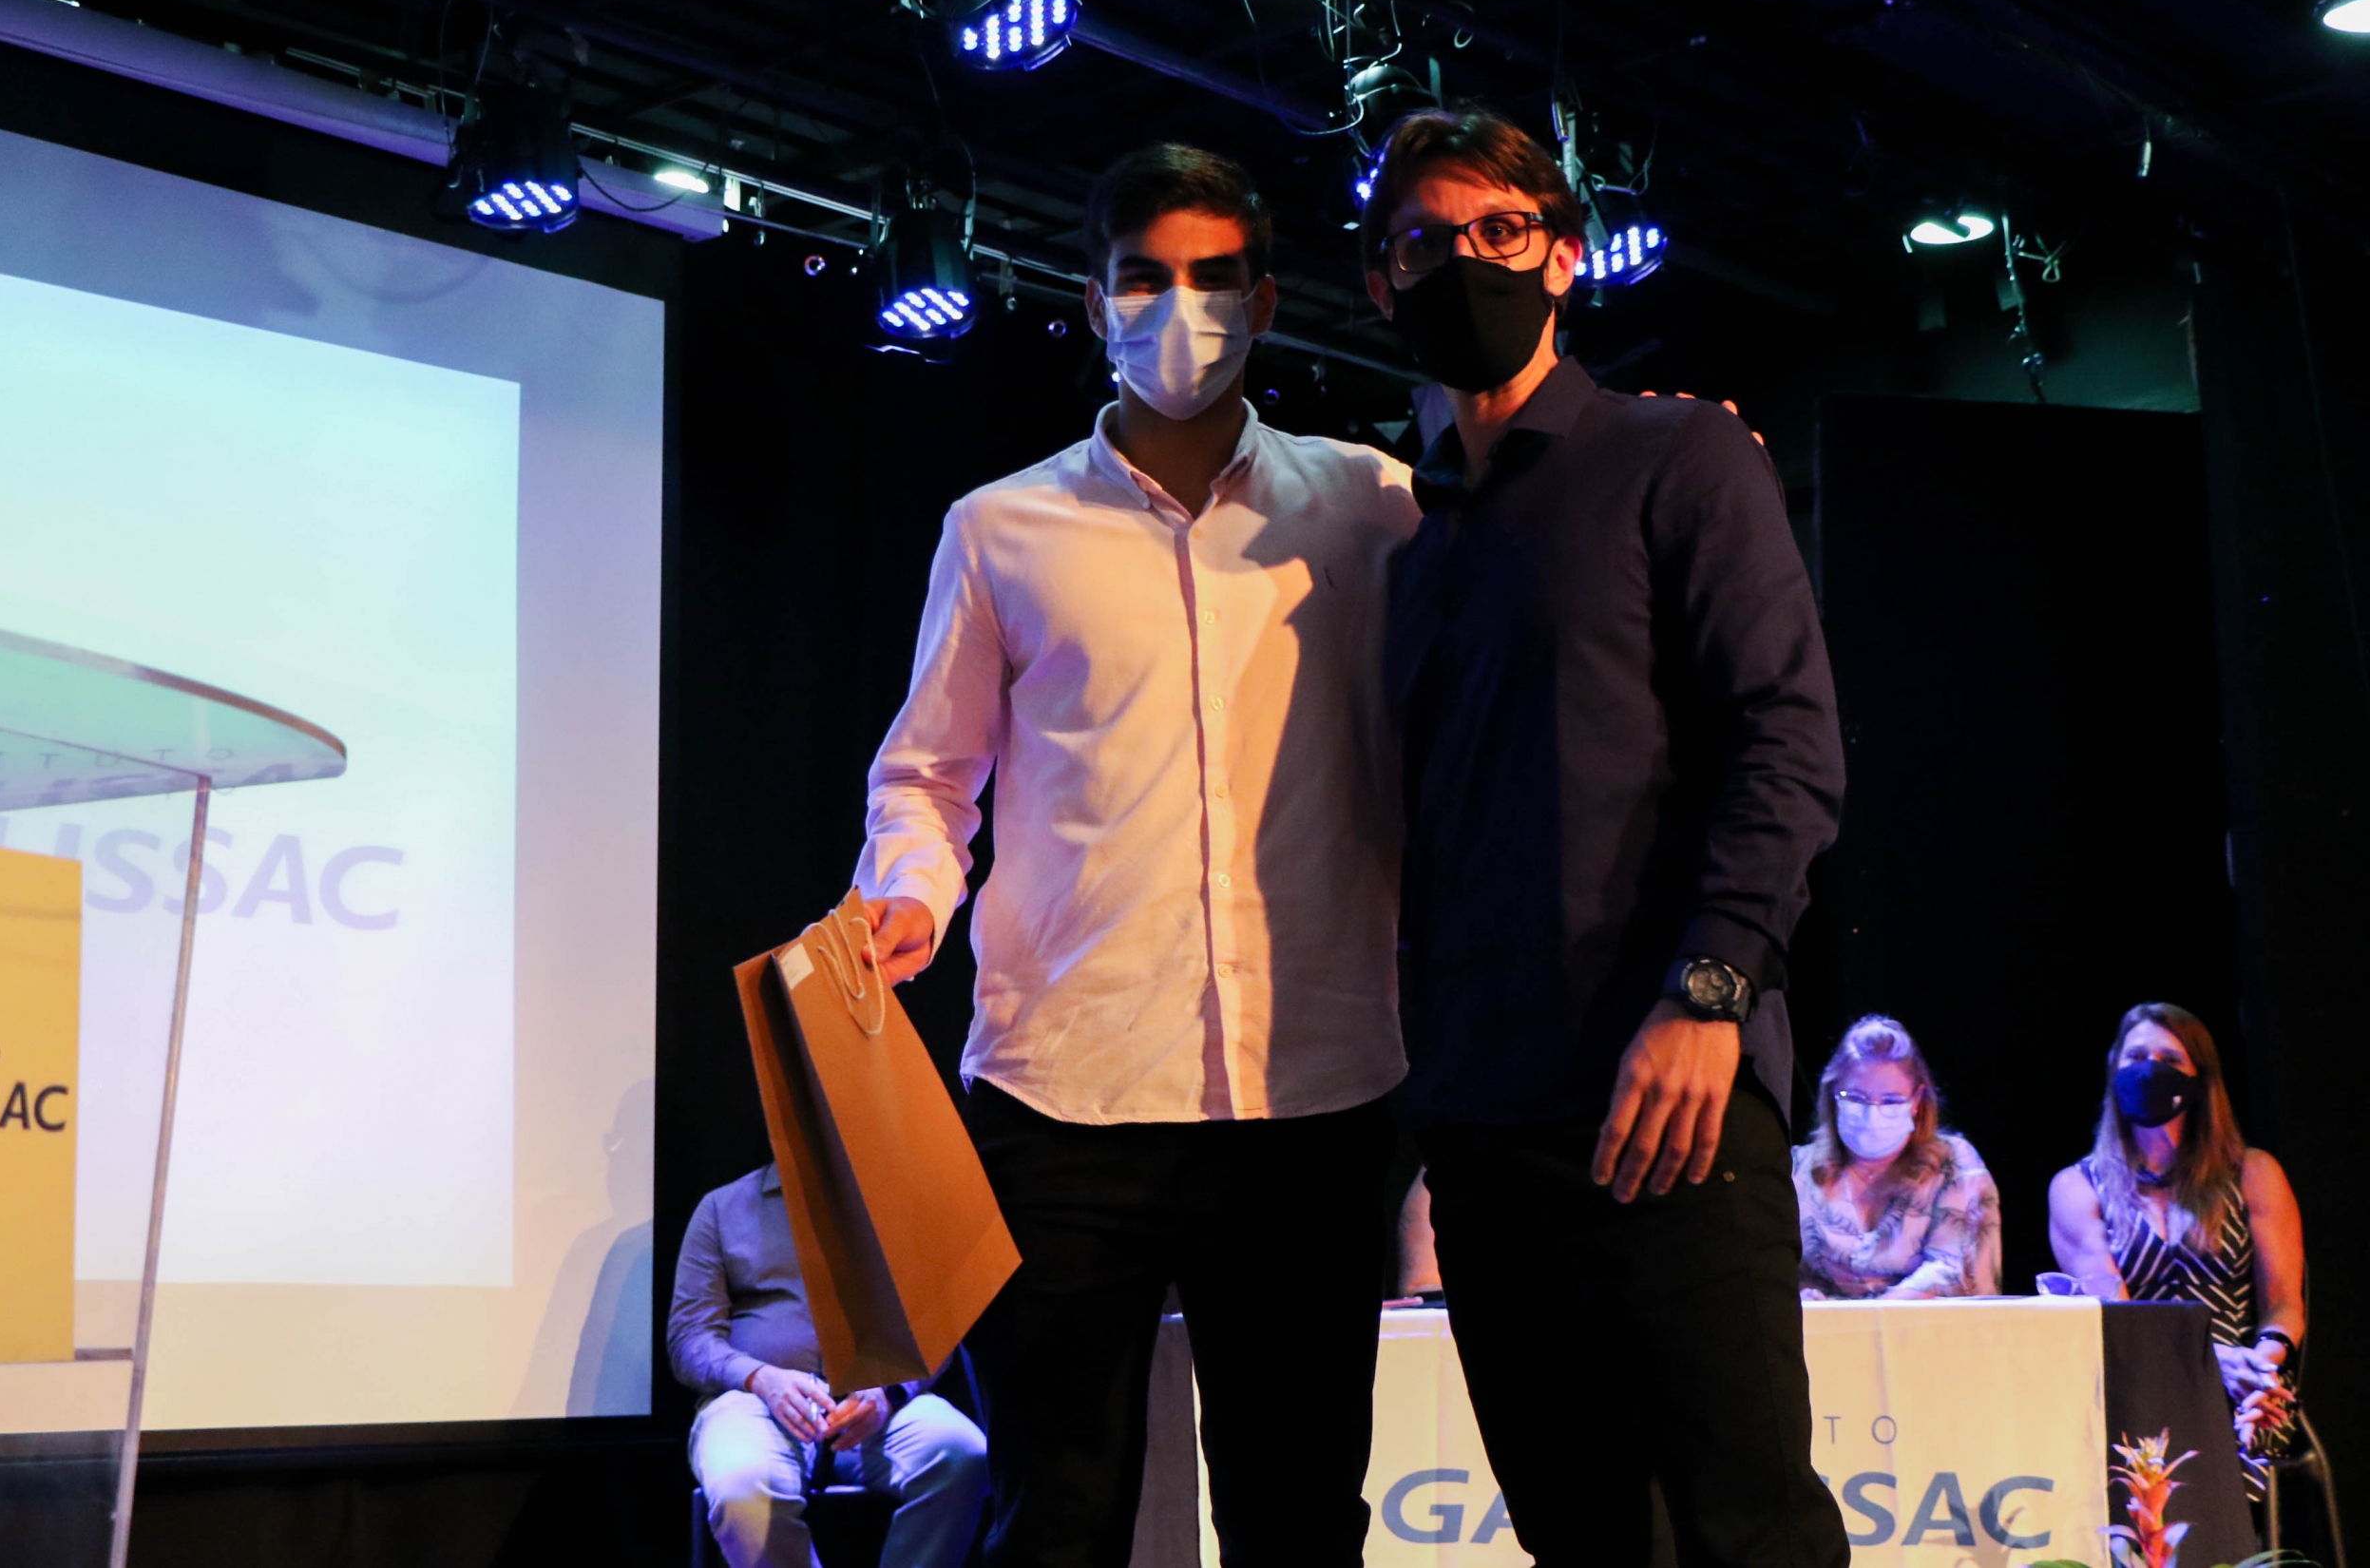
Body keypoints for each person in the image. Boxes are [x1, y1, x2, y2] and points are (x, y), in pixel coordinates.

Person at [853, 143, 1416, 1568]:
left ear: (1267, 299)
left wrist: (1666, 449)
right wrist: (909, 891)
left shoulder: (1371, 506)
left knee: (1301, 1517)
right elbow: (926, 775)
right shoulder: (1000, 528)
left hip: (1311, 1089)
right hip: (1064, 1090)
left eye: (1214, 277)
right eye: (1145, 278)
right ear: (1096, 301)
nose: (1181, 308)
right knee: (1056, 1517)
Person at [1370, 107, 1849, 1566]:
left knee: (1750, 1531)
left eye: (1501, 230)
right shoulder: (1402, 543)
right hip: (1484, 1132)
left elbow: (1787, 737)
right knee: (1578, 1537)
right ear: (1382, 282)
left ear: (1566, 256)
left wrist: (1712, 990)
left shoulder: (1679, 452)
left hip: (1673, 1098)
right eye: (1425, 242)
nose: (1466, 261)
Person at [668, 1165, 989, 1568]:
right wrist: (760, 1378)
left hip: (879, 1403)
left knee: (961, 1455)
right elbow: (690, 1338)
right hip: (757, 1401)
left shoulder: (902, 1205)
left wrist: (889, 1389)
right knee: (742, 1486)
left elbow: (935, 1327)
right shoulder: (723, 1207)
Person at [2049, 1003, 2306, 1496]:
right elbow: (2118, 1316)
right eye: (2136, 1057)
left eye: (2169, 1060)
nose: (2150, 1070)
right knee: (2149, 1438)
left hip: (2248, 1381)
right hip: (2137, 1381)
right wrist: (2210, 1362)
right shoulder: (2079, 1188)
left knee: (2244, 1425)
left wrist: (2260, 1368)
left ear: (2198, 1079)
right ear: (2114, 1069)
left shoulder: (2252, 1174)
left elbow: (2284, 1304)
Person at [1792, 1016, 2000, 1299]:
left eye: (1890, 1100)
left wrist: (1866, 1317)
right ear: (1832, 1095)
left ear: (1917, 1101)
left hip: (1922, 1326)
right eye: (1856, 1098)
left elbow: (1952, 1272)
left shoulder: (1955, 1166)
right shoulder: (1797, 1171)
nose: (1871, 1114)